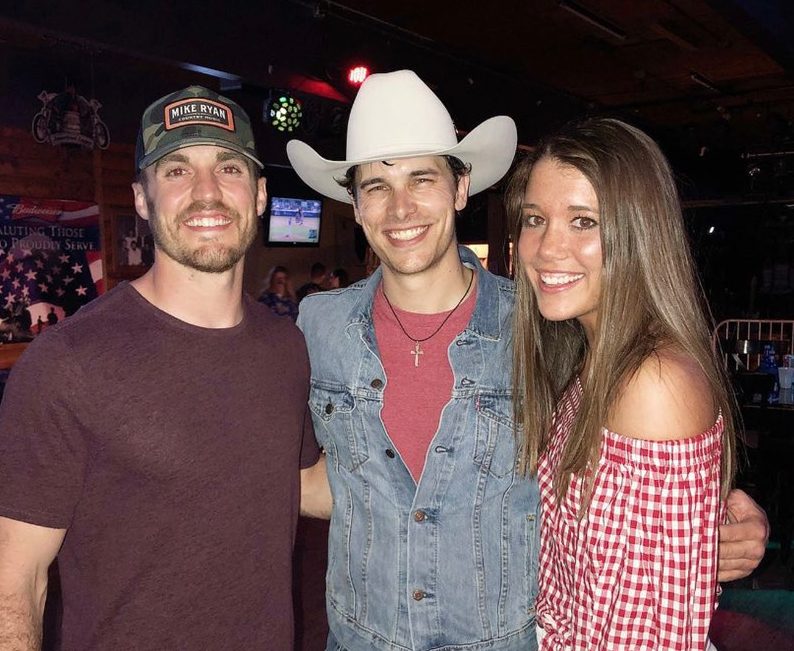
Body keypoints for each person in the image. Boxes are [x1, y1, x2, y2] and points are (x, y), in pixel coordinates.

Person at [287, 70, 767, 651]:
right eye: (376, 185)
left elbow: (645, 470)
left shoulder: (539, 322)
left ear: (460, 189)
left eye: (422, 177)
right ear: (354, 204)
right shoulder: (319, 326)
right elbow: (339, 480)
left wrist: (714, 517)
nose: (400, 207)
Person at [0, 85, 329, 651]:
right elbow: (15, 582)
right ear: (143, 199)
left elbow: (300, 484)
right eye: (176, 171)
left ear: (259, 195)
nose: (207, 193)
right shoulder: (68, 362)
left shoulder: (286, 348)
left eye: (228, 167)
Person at [507, 117, 739, 649]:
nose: (546, 248)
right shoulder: (592, 355)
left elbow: (652, 633)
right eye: (535, 219)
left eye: (584, 221)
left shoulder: (653, 382)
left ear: (639, 229)